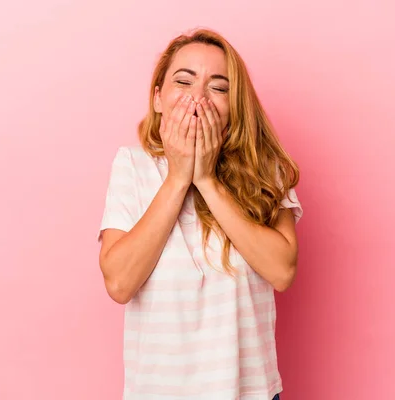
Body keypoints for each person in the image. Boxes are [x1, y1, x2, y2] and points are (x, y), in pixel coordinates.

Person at [97, 28, 302, 400]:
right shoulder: (132, 166)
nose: (198, 99)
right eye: (183, 81)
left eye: (218, 88)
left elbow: (282, 271)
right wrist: (178, 178)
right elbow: (119, 283)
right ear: (158, 98)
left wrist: (207, 180)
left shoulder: (265, 169)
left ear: (233, 107)